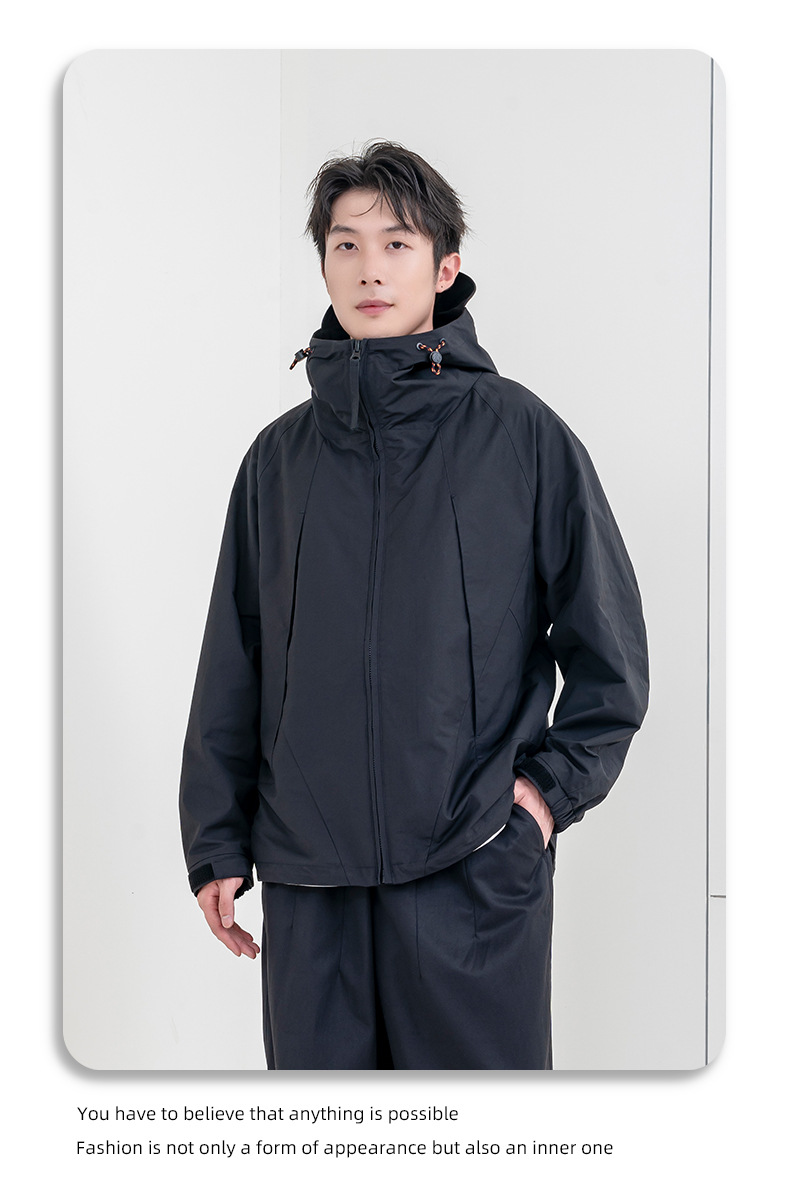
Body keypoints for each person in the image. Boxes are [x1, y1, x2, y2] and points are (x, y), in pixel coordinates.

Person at [179, 140, 649, 1070]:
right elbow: (234, 661)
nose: (370, 268)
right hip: (310, 886)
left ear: (445, 266)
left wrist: (541, 801)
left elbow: (611, 655)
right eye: (346, 245)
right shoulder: (277, 461)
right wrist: (216, 839)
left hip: (472, 875)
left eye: (396, 243)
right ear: (323, 266)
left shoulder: (522, 435)